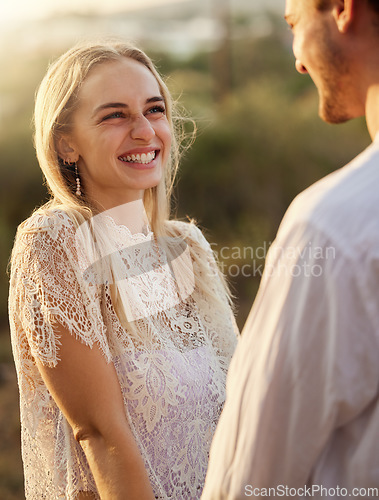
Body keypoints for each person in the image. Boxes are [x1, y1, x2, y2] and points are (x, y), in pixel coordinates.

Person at [8, 40, 238, 500]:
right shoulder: (53, 241)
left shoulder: (187, 247)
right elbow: (99, 432)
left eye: (154, 110)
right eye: (115, 115)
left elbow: (242, 407)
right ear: (65, 143)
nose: (144, 130)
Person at [202, 0, 379, 497]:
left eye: (294, 23)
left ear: (343, 9)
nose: (298, 61)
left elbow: (248, 476)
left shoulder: (331, 228)